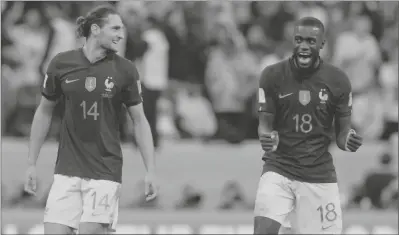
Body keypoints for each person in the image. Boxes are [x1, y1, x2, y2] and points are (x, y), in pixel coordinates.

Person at [23, 5, 158, 234]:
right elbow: (44, 111)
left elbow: (139, 120)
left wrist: (151, 170)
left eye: (121, 29)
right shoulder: (61, 64)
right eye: (115, 28)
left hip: (105, 172)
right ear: (95, 29)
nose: (121, 35)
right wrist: (31, 164)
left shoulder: (125, 70)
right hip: (66, 171)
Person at [254, 17, 363, 234]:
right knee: (263, 231)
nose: (303, 46)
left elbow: (342, 135)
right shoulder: (272, 75)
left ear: (322, 44)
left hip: (318, 174)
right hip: (279, 168)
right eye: (298, 40)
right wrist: (266, 137)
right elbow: (264, 125)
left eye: (311, 41)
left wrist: (348, 139)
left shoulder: (338, 81)